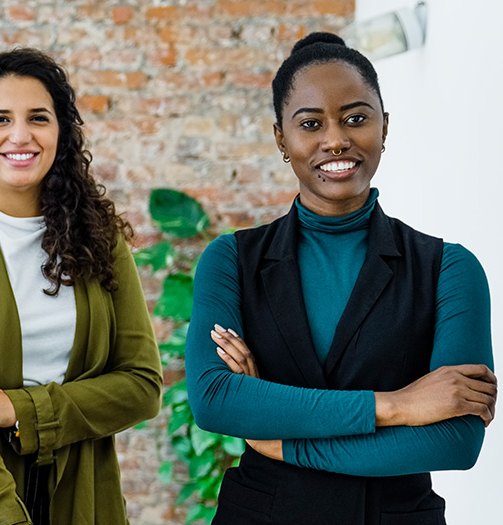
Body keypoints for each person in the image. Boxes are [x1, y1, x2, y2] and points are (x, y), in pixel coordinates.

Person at [186, 32, 496, 524]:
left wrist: (281, 439)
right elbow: (217, 399)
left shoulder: (450, 270)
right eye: (311, 124)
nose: (336, 139)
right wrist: (396, 405)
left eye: (356, 118)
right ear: (281, 139)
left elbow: (456, 440)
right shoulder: (232, 260)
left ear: (384, 127)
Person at [0, 49, 162, 525]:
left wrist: (15, 409)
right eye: (1, 119)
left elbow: (141, 387)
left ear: (60, 134)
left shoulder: (100, 238)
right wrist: (6, 518)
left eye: (38, 118)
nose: (20, 135)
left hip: (85, 497)